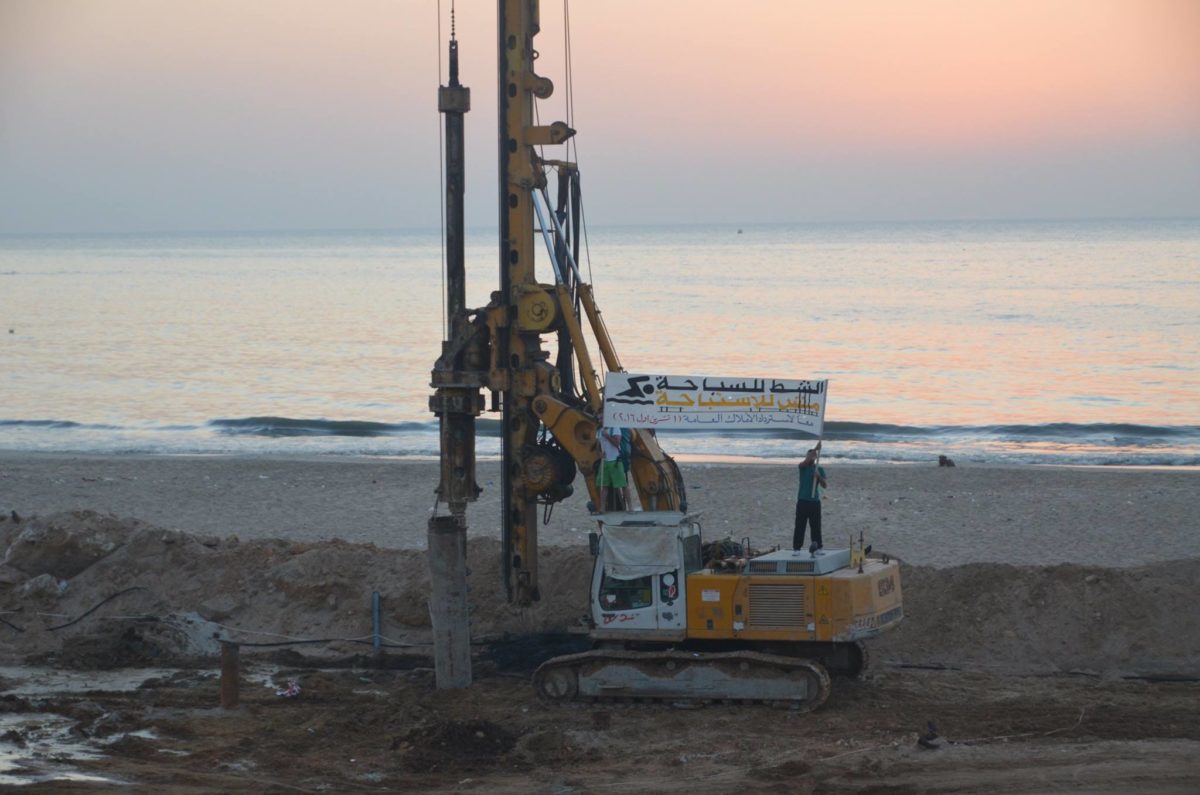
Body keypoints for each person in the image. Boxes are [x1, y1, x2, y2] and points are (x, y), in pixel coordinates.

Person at [793, 442, 827, 553]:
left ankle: (818, 546)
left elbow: (824, 485)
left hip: (814, 501)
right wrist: (815, 449)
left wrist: (819, 477)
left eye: (813, 456)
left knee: (816, 526)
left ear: (816, 457)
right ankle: (797, 548)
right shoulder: (802, 467)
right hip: (803, 500)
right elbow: (805, 462)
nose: (811, 457)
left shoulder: (819, 469)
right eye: (810, 456)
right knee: (800, 526)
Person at [596, 424, 627, 513]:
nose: (600, 419)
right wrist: (599, 454)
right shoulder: (599, 431)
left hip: (615, 460)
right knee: (604, 486)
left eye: (602, 417)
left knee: (623, 485)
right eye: (600, 418)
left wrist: (607, 436)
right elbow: (597, 446)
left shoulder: (615, 428)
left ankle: (630, 507)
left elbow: (617, 443)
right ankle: (602, 508)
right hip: (605, 461)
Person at [618, 427, 636, 510]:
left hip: (621, 457)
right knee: (622, 483)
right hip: (622, 456)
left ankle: (628, 506)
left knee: (623, 483)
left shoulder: (621, 428)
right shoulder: (626, 428)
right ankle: (626, 506)